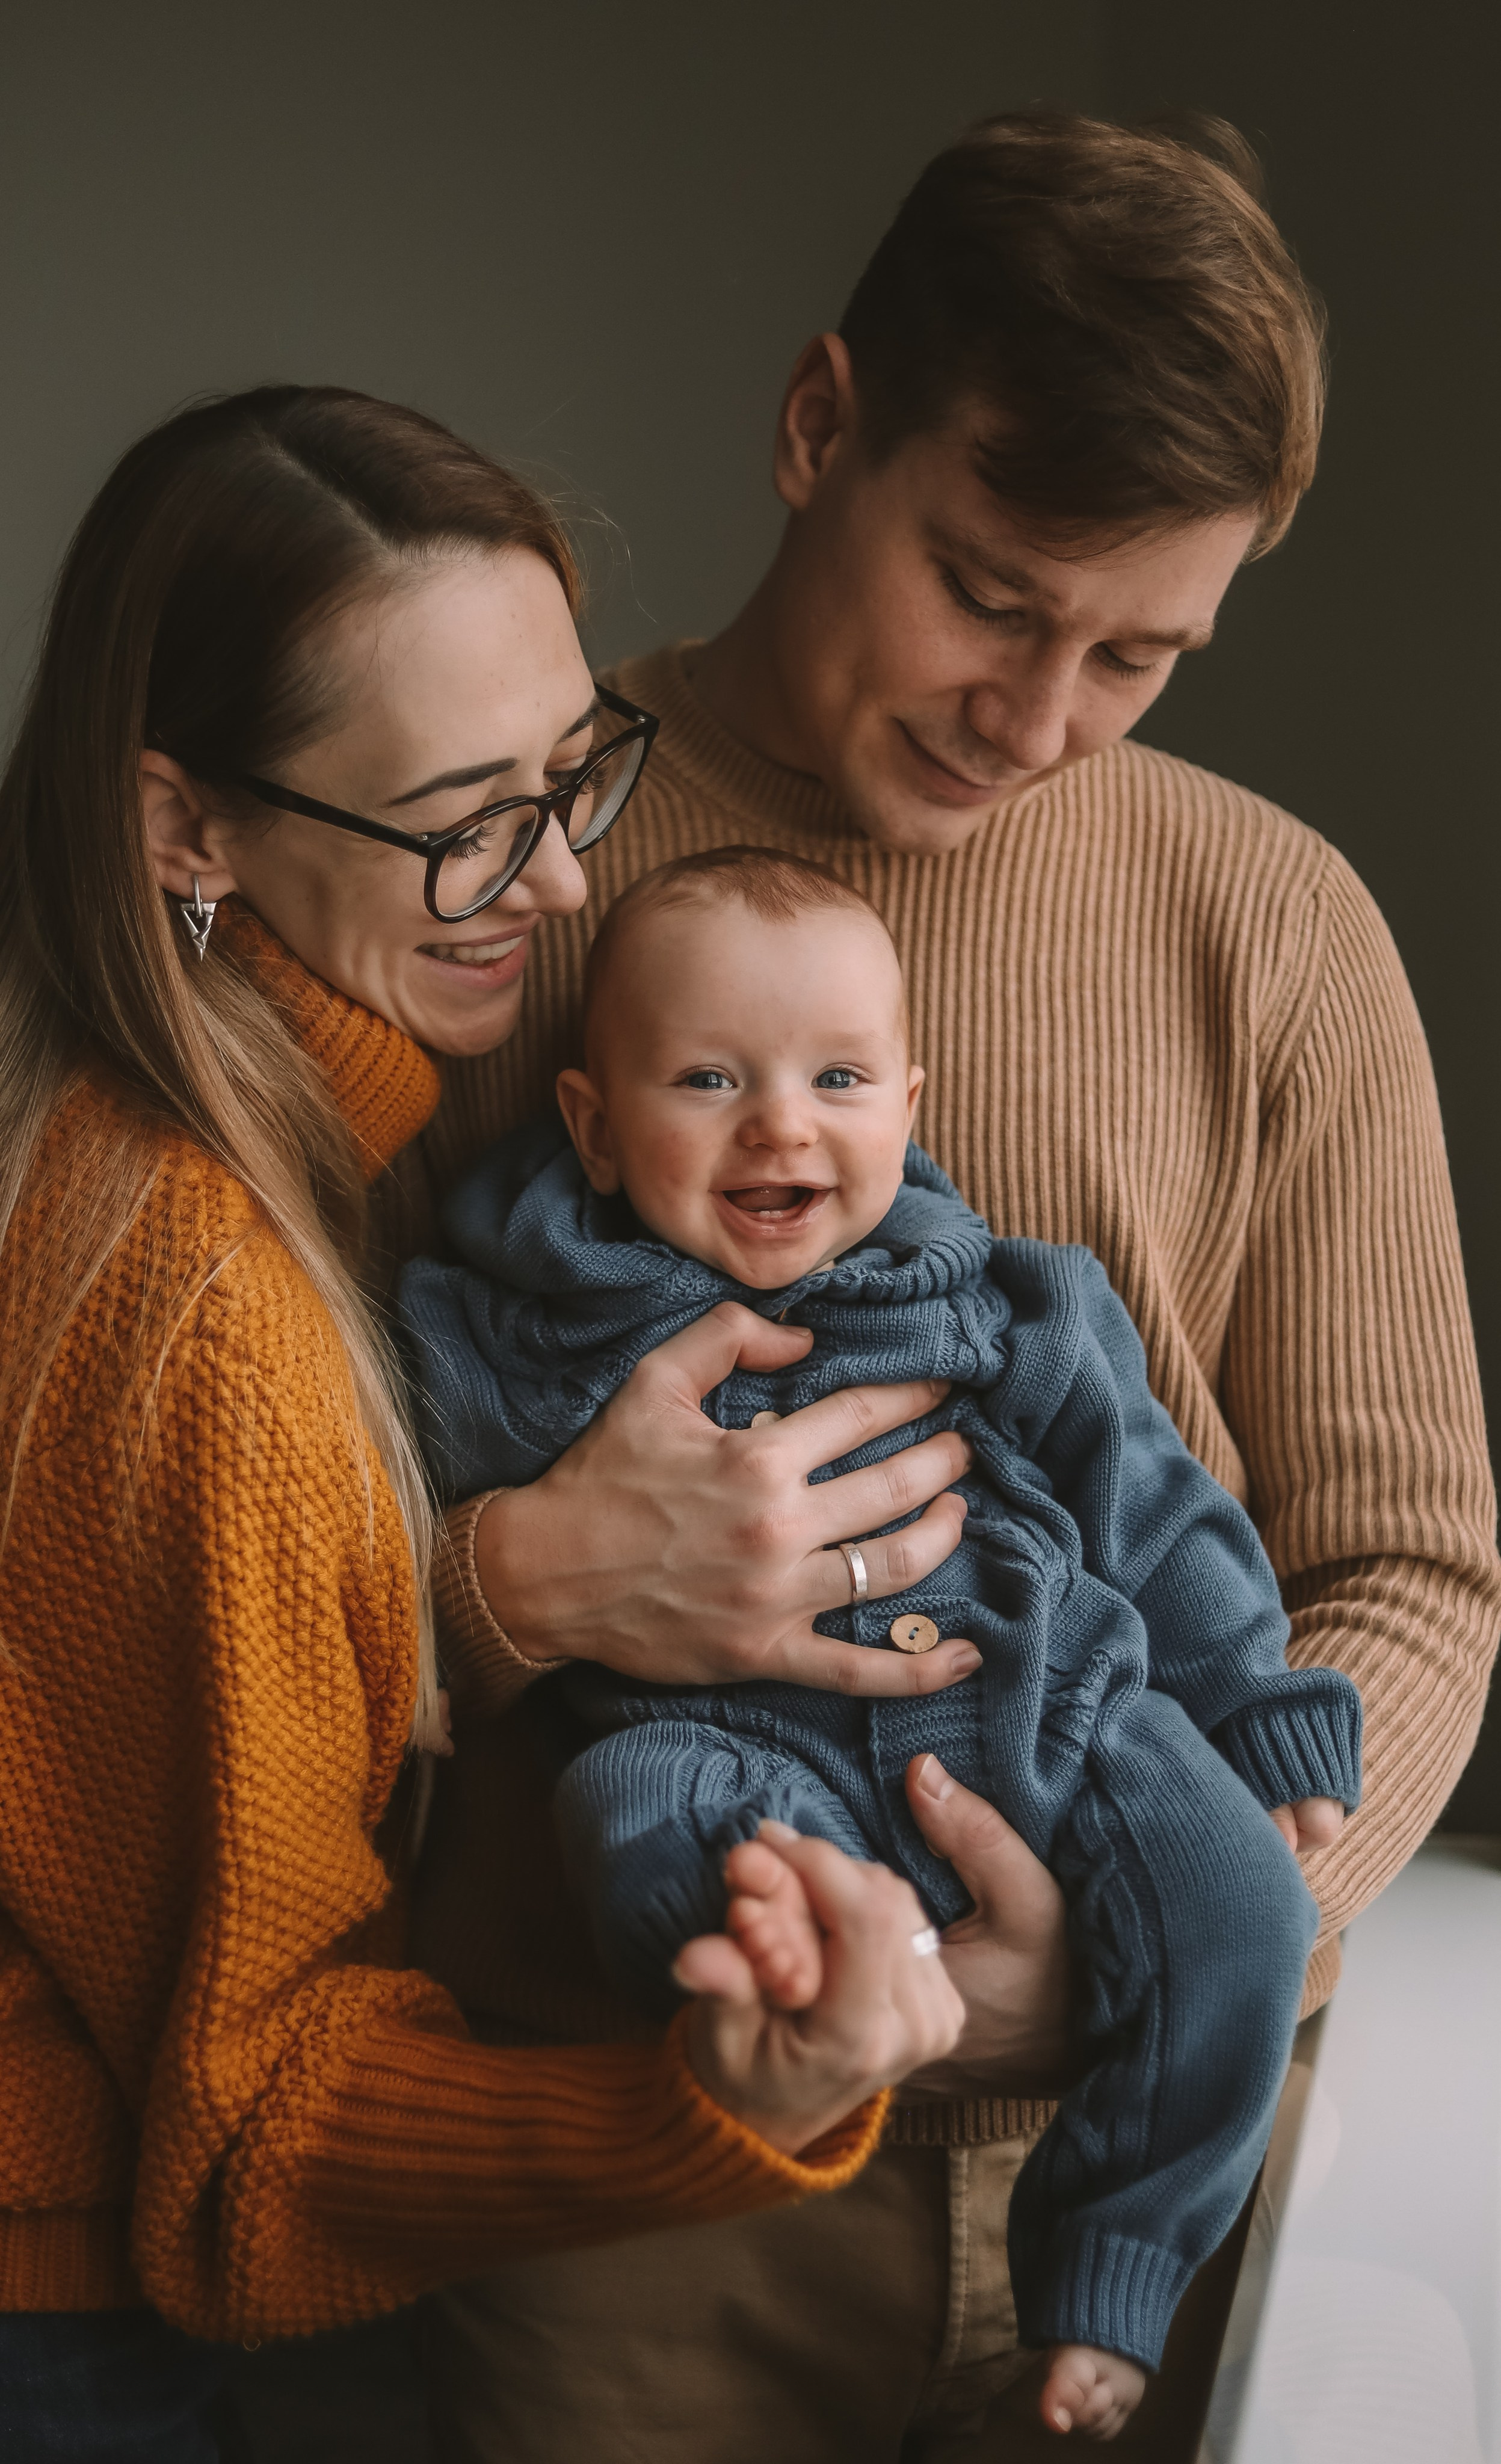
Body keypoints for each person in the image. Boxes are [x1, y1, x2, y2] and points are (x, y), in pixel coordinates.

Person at [390, 109, 1501, 2460]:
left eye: (1141, 654)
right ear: (820, 430)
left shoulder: (1274, 924)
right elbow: (265, 1545)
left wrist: (1147, 1944)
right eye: (993, 595)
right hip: (634, 2198)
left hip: (1173, 2202)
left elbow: (1407, 1568)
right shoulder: (509, 891)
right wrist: (509, 1583)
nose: (1039, 716)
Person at [0, 385, 967, 2462]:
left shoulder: (204, 1146)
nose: (554, 892)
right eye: (462, 818)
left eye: (571, 775)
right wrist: (724, 2104)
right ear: (188, 829)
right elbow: (250, 2144)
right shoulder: (200, 1307)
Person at [398, 845, 1364, 2441]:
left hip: (1053, 1709)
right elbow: (368, 1487)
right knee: (626, 1808)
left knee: (1243, 1906)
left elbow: (1158, 1506)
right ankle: (765, 1961)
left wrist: (1251, 1699)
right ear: (588, 1122)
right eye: (709, 1079)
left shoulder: (1001, 1299)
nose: (782, 1123)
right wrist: (483, 1564)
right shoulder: (519, 1317)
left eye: (839, 1078)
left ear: (908, 1104)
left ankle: (1118, 2260)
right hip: (727, 1739)